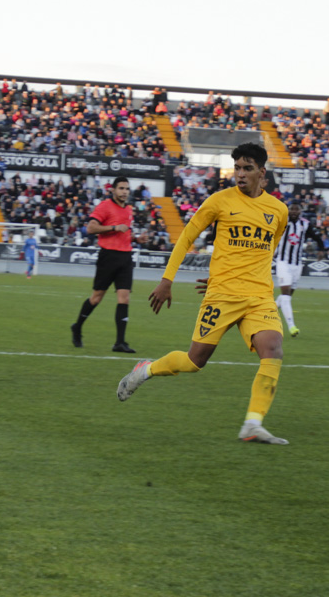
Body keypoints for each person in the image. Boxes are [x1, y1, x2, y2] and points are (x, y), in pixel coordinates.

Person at [116, 143, 291, 445]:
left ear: (262, 173)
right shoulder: (219, 201)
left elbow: (264, 252)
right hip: (221, 296)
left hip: (258, 297)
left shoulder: (278, 211)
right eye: (236, 167)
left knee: (273, 349)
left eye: (247, 168)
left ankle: (252, 423)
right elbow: (187, 237)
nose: (240, 174)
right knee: (195, 361)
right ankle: (146, 370)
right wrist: (167, 280)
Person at [70, 176, 136, 353]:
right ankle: (77, 327)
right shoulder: (105, 206)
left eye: (127, 189)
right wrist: (113, 227)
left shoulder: (129, 210)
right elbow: (90, 228)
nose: (124, 192)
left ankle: (119, 343)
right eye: (121, 188)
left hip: (126, 257)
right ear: (113, 190)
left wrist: (136, 238)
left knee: (124, 298)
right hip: (108, 257)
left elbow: (125, 233)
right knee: (96, 297)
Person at [274, 202, 310, 337]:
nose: (294, 211)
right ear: (288, 210)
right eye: (292, 209)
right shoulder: (282, 222)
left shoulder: (304, 224)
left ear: (300, 211)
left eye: (296, 209)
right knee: (285, 295)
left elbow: (315, 235)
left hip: (297, 264)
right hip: (282, 262)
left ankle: (269, 310)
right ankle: (291, 326)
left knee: (287, 296)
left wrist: (321, 248)